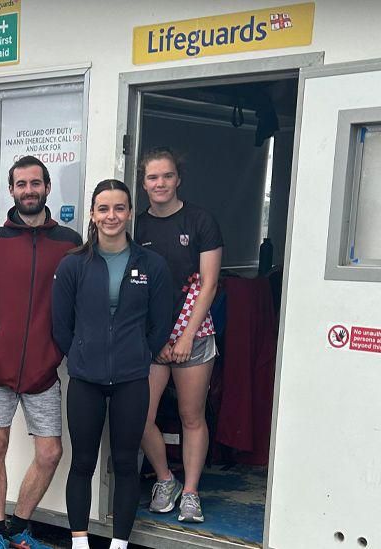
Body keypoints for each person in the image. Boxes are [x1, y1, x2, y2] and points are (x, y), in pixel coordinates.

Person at [52, 179, 172, 549]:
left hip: (132, 378)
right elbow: (60, 326)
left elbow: (161, 323)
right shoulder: (73, 264)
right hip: (85, 378)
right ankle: (79, 541)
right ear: (92, 214)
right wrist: (83, 353)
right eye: (103, 208)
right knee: (82, 462)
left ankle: (119, 544)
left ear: (130, 213)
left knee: (125, 462)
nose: (111, 216)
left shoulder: (151, 264)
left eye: (119, 208)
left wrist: (138, 352)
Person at [0, 155, 82, 549]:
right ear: (12, 190)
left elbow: (77, 304)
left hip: (44, 371)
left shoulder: (69, 243)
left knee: (50, 452)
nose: (29, 190)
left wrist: (57, 349)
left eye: (36, 183)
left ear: (47, 188)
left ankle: (21, 527)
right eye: (21, 184)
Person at [136, 147, 223, 523]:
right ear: (143, 183)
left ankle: (190, 492)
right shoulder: (137, 227)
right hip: (151, 337)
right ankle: (165, 478)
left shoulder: (200, 220)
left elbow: (209, 284)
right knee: (139, 415)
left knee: (191, 416)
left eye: (167, 176)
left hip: (194, 334)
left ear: (178, 179)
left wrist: (185, 337)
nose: (160, 183)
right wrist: (159, 340)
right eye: (153, 177)